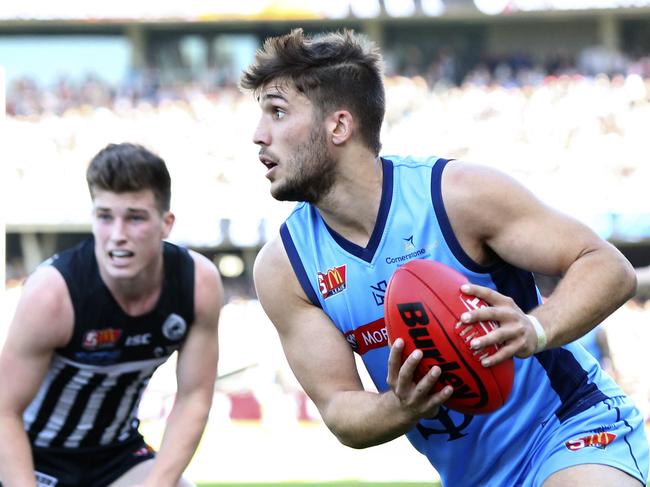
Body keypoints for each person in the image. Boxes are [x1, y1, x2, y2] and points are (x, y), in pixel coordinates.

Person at [241, 29, 649, 486]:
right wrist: (401, 405)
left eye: (277, 112)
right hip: (472, 476)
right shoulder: (285, 268)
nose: (258, 136)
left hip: (570, 427)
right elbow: (340, 409)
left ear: (338, 125)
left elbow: (607, 266)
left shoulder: (456, 195)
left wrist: (536, 328)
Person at [0, 143, 224, 487]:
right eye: (105, 217)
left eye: (135, 218)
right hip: (34, 455)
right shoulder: (53, 294)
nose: (117, 236)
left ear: (166, 224)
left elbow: (194, 396)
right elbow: (4, 412)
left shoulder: (198, 283)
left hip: (117, 456)